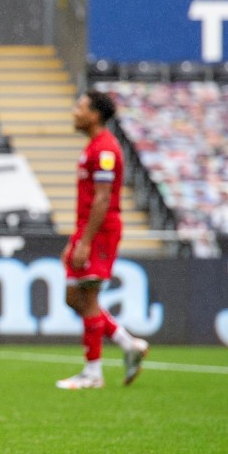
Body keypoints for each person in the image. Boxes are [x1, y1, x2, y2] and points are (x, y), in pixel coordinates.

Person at [56, 90, 150, 390]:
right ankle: (128, 343)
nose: (75, 112)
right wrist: (75, 241)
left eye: (80, 107)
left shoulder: (105, 150)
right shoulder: (94, 147)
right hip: (87, 230)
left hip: (101, 231)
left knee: (89, 298)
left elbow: (102, 199)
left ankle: (92, 373)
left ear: (95, 115)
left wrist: (85, 241)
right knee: (73, 298)